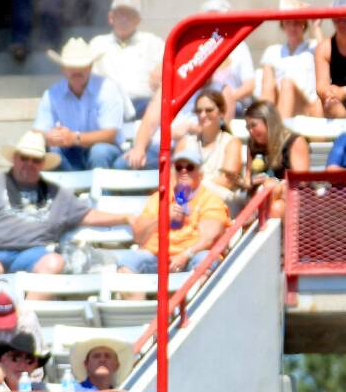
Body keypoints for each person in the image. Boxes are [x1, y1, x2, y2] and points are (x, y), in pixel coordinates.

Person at [0, 131, 132, 278]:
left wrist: (125, 217)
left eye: (36, 159)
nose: (29, 164)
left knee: (54, 263)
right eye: (24, 157)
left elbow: (88, 215)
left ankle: (27, 313)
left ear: (43, 164)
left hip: (32, 254)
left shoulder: (57, 193)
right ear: (15, 158)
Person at [119, 147, 229, 275]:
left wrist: (185, 255)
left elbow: (208, 239)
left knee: (205, 261)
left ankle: (191, 295)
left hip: (192, 256)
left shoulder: (211, 200)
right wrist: (163, 217)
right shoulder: (158, 199)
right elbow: (138, 236)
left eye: (190, 167)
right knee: (128, 263)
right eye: (178, 167)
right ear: (173, 172)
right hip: (157, 256)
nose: (183, 171)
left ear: (201, 174)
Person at [33, 38, 124, 172]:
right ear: (63, 69)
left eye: (81, 66)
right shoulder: (52, 93)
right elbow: (37, 131)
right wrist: (50, 137)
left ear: (91, 66)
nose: (76, 71)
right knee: (52, 151)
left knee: (100, 151)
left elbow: (110, 135)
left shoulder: (107, 88)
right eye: (71, 67)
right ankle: (66, 192)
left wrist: (73, 138)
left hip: (104, 149)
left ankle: (100, 192)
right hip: (68, 149)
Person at [89, 0, 163, 118]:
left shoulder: (153, 43)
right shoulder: (97, 44)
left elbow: (171, 66)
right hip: (107, 107)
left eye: (130, 15)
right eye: (120, 14)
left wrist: (161, 72)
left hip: (144, 106)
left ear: (138, 20)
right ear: (110, 18)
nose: (124, 19)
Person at [173, 89, 245, 206]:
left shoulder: (231, 143)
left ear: (221, 112)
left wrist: (194, 183)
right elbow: (173, 177)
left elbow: (227, 181)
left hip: (220, 203)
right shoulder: (185, 143)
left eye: (209, 110)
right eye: (199, 111)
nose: (203, 115)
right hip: (189, 199)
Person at [244, 100, 308, 218]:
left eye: (253, 125)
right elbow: (247, 180)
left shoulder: (294, 141)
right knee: (273, 204)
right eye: (248, 127)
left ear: (269, 121)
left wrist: (276, 184)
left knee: (276, 207)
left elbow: (301, 181)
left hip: (287, 196)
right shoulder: (252, 144)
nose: (251, 131)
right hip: (261, 196)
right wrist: (253, 181)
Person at [259, 1, 322, 119]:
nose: (293, 27)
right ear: (283, 25)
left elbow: (326, 53)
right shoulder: (272, 51)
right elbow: (267, 89)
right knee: (269, 85)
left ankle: (277, 133)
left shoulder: (313, 47)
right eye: (288, 22)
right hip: (279, 102)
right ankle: (266, 123)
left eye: (297, 22)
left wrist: (316, 25)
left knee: (287, 84)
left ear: (304, 25)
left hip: (307, 106)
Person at [201, 0, 257, 120]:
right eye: (209, 18)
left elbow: (250, 86)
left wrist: (225, 99)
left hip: (235, 106)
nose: (214, 23)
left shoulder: (239, 46)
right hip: (204, 106)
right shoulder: (201, 47)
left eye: (218, 18)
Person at [316, 0, 346, 118]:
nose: (341, 23)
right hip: (338, 98)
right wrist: (329, 92)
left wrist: (345, 91)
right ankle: (340, 136)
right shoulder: (325, 47)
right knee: (326, 106)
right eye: (337, 18)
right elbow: (321, 86)